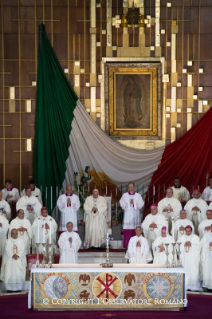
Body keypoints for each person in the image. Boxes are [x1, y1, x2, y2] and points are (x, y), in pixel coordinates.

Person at [120, 182, 144, 248]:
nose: (130, 188)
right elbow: (122, 204)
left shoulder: (138, 195)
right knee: (127, 230)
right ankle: (127, 245)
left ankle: (136, 245)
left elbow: (141, 204)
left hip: (135, 215)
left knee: (135, 229)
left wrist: (134, 203)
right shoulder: (125, 195)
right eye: (129, 187)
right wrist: (128, 203)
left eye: (131, 187)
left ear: (134, 187)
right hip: (128, 215)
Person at [178, 225, 201, 291]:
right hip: (184, 258)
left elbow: (199, 247)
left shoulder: (196, 238)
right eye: (186, 231)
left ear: (192, 231)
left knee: (193, 271)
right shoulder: (181, 237)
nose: (188, 233)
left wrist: (192, 245)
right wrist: (183, 245)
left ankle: (194, 287)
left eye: (189, 231)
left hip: (193, 258)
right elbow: (177, 246)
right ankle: (185, 286)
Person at [200, 227, 212, 291]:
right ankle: (207, 286)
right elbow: (201, 244)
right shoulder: (206, 235)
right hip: (207, 256)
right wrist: (208, 244)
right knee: (208, 270)